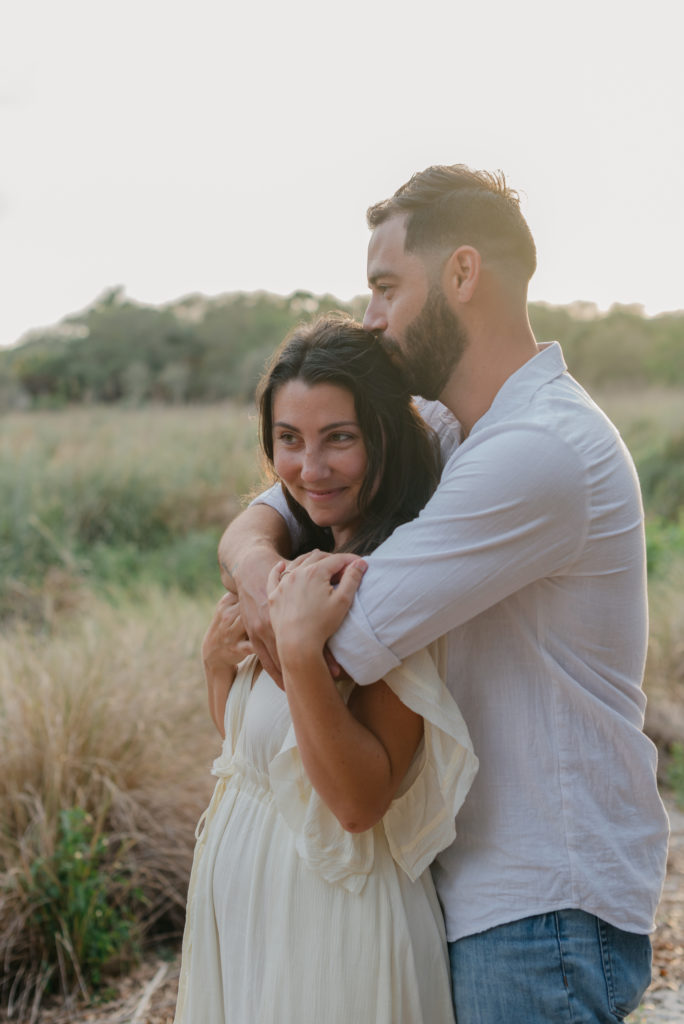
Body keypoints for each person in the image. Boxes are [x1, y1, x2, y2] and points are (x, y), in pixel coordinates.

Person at [217, 164, 670, 1023]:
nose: (373, 318)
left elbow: (337, 640)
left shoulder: (538, 450)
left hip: (543, 907)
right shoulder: (462, 429)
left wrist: (273, 612)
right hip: (488, 896)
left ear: (463, 274)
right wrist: (257, 575)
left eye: (387, 287)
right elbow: (266, 511)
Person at [174, 315, 478, 1024]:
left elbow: (355, 804)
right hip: (251, 918)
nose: (310, 469)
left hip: (334, 927)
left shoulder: (389, 581)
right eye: (289, 440)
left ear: (383, 438)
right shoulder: (293, 566)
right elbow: (262, 763)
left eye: (338, 438)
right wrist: (217, 667)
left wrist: (305, 654)